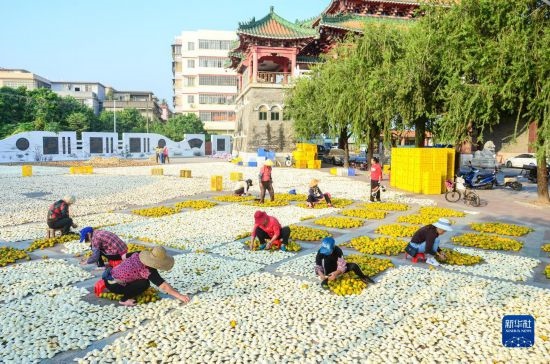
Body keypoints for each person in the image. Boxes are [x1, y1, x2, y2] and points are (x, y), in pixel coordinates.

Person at [102, 246, 190, 306]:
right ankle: (124, 300)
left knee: (138, 278)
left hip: (108, 278)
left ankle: (113, 288)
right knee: (145, 283)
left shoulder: (139, 253)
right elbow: (164, 286)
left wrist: (105, 255)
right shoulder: (148, 270)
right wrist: (180, 296)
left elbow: (123, 257)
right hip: (115, 285)